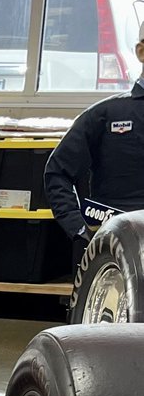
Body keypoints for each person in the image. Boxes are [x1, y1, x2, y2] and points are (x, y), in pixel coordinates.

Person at [44, 24, 144, 267]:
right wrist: (79, 230)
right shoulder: (104, 115)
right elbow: (57, 172)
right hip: (114, 252)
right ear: (141, 51)